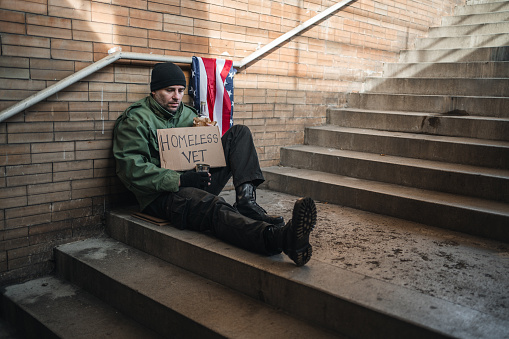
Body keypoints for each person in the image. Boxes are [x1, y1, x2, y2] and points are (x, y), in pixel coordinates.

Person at [112, 62, 317, 266]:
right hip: (160, 196)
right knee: (211, 206)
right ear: (154, 90)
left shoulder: (188, 114)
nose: (177, 97)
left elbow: (200, 152)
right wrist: (180, 180)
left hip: (192, 180)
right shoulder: (136, 120)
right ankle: (277, 238)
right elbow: (131, 170)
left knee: (239, 133)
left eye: (181, 90)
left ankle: (246, 203)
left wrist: (206, 151)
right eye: (169, 90)